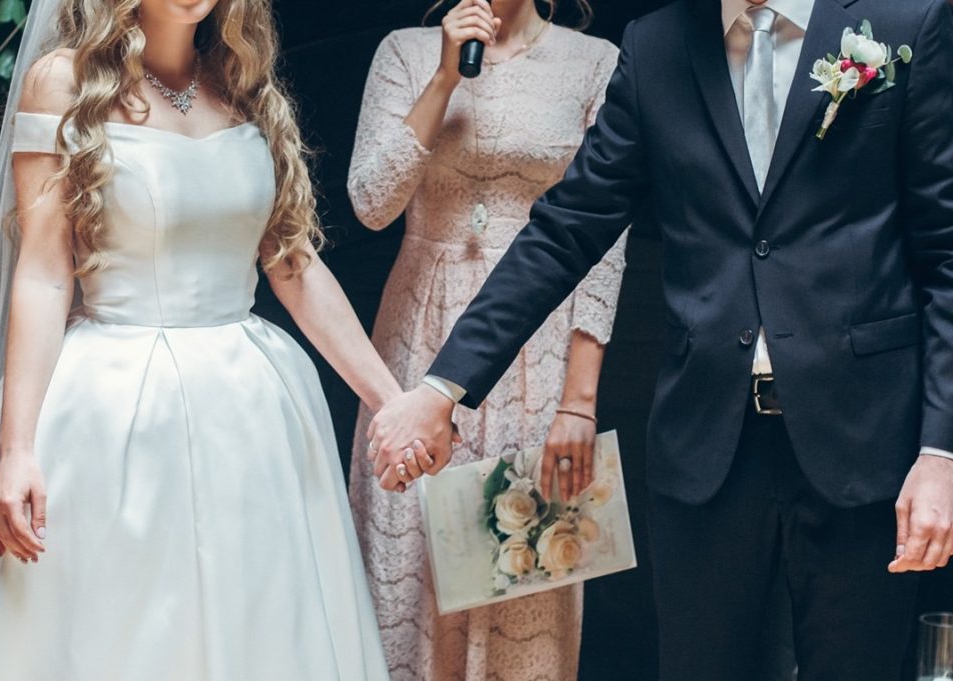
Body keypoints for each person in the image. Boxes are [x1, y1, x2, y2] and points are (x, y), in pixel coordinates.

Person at [367, 0, 953, 679]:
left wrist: (940, 449)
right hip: (707, 452)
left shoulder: (903, 23)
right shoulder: (657, 48)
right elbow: (567, 229)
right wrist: (443, 387)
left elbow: (944, 254)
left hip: (865, 444)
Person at [0, 0, 393, 678]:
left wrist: (390, 399)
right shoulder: (63, 82)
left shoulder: (241, 80)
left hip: (252, 417)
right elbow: (44, 272)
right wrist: (17, 445)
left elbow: (291, 260)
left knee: (261, 627)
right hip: (111, 412)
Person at [346, 0, 624, 678]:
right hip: (418, 344)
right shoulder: (404, 52)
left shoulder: (597, 63)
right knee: (406, 580)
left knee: (522, 587)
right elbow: (370, 203)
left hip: (540, 352)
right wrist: (444, 77)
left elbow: (606, 240)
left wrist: (578, 402)